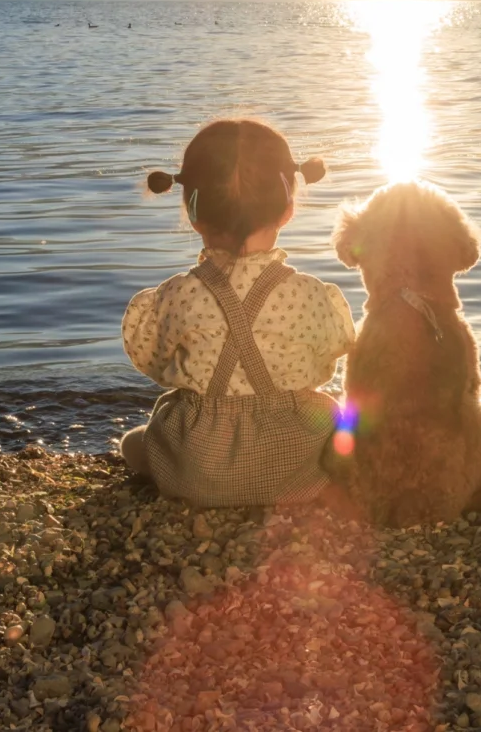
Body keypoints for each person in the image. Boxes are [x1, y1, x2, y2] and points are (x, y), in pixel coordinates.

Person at [119, 118, 355, 508]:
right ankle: (309, 483)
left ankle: (192, 480)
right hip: (296, 461)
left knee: (134, 443)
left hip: (198, 466)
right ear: (288, 209)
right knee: (343, 425)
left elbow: (155, 364)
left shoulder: (176, 296)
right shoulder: (310, 294)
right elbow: (331, 355)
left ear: (192, 212)